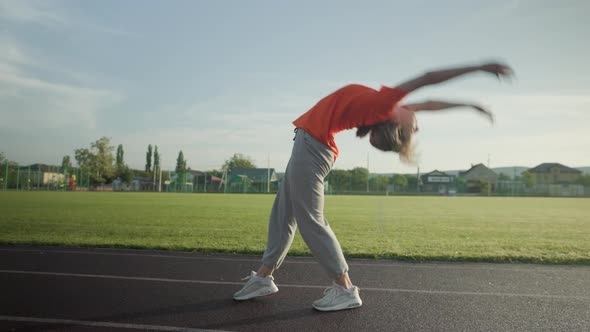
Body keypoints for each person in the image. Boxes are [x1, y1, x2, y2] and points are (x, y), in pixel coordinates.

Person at [233, 62, 514, 311]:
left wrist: (478, 76)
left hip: (312, 147)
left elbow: (428, 83)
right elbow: (429, 95)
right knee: (284, 214)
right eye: (415, 128)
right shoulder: (385, 108)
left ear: (395, 123)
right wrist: (472, 96)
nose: (417, 124)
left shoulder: (383, 107)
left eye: (413, 128)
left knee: (310, 220)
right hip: (309, 144)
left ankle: (344, 288)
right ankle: (263, 277)